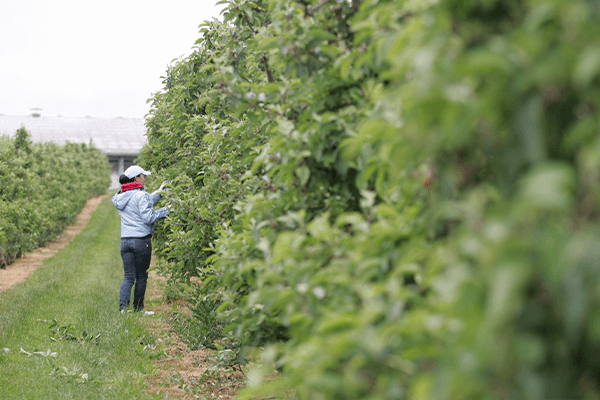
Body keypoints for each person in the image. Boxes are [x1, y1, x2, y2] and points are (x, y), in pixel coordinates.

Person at [112, 165, 170, 315]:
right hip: (141, 241)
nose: (145, 178)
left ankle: (123, 309)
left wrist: (159, 193)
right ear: (136, 178)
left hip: (125, 241)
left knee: (129, 276)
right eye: (143, 176)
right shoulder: (140, 194)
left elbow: (145, 201)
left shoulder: (122, 195)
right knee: (142, 276)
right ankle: (138, 309)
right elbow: (148, 217)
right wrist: (167, 210)